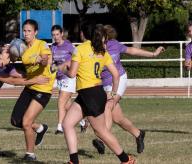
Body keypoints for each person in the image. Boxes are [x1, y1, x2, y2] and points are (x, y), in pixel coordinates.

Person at [61, 24, 135, 164]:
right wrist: (113, 94)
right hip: (92, 93)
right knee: (67, 124)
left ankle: (126, 160)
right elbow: (116, 75)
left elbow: (71, 74)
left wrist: (64, 69)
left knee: (101, 132)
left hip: (90, 94)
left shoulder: (80, 49)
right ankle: (73, 161)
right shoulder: (102, 51)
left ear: (83, 34)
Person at [91, 25, 165, 155]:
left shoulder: (114, 44)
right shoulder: (93, 49)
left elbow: (132, 51)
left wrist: (153, 54)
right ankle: (138, 134)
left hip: (119, 79)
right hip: (105, 85)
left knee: (108, 106)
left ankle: (101, 140)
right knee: (118, 118)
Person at [10, 19, 56, 161]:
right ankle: (41, 128)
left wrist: (40, 60)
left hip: (43, 88)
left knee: (26, 122)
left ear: (35, 32)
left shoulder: (41, 44)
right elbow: (12, 59)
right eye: (24, 31)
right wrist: (12, 52)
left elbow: (45, 59)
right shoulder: (22, 47)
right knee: (15, 120)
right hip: (30, 86)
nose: (26, 33)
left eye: (29, 31)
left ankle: (30, 154)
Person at [50, 25, 88, 134]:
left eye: (57, 34)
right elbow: (52, 63)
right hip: (60, 78)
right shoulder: (53, 47)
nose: (56, 37)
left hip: (69, 76)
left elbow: (77, 57)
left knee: (61, 101)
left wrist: (70, 64)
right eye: (53, 35)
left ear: (62, 34)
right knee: (67, 105)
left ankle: (60, 127)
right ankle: (82, 122)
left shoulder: (69, 46)